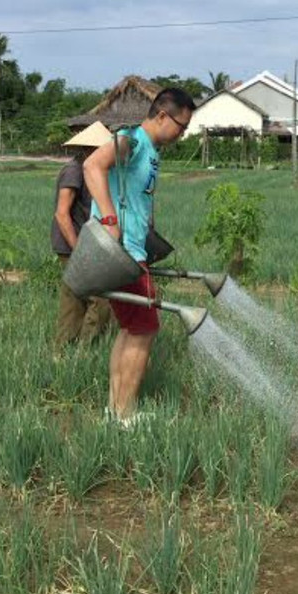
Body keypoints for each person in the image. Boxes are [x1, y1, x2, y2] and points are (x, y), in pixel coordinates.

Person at [83, 87, 195, 423]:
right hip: (123, 252)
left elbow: (138, 198)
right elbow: (92, 166)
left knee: (132, 328)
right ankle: (125, 416)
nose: (182, 134)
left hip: (133, 250)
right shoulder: (131, 140)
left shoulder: (151, 152)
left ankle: (115, 411)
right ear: (162, 115)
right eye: (181, 125)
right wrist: (109, 220)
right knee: (144, 329)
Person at [52, 121, 114, 351]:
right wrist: (79, 251)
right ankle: (83, 352)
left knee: (76, 300)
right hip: (73, 246)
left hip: (86, 244)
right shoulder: (75, 170)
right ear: (91, 148)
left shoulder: (96, 171)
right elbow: (62, 213)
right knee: (99, 299)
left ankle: (66, 351)